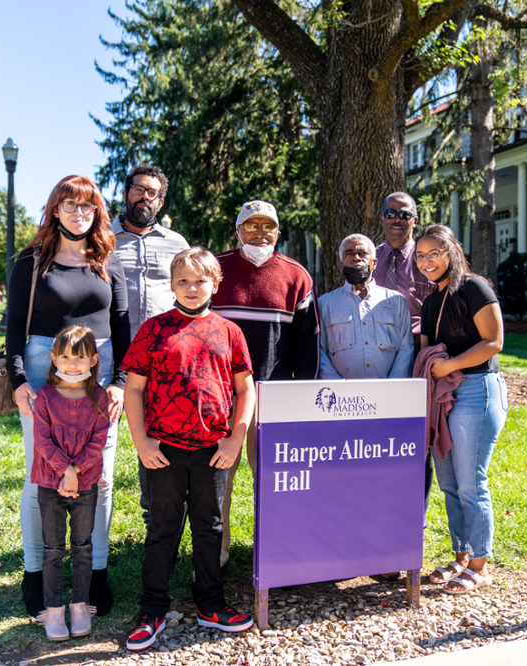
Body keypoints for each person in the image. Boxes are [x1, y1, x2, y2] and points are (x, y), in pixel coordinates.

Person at [6, 175, 130, 619]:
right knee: (40, 474)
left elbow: (121, 322)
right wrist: (19, 380)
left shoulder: (107, 260)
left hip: (102, 366)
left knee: (101, 475)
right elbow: (14, 321)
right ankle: (36, 572)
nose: (80, 214)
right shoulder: (31, 261)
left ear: (97, 213)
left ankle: (95, 572)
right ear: (55, 210)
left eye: (88, 207)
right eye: (70, 206)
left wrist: (119, 382)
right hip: (43, 366)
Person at [121, 247, 255, 651]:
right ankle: (152, 609)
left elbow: (245, 388)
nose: (192, 288)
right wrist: (141, 440)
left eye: (200, 281)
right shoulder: (153, 329)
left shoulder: (229, 331)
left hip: (214, 449)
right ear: (171, 285)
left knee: (209, 527)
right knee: (162, 528)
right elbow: (134, 388)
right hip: (163, 449)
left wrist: (236, 436)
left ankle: (210, 604)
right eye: (183, 280)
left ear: (215, 283)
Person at [213, 200, 319, 565]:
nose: (260, 233)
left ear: (278, 231)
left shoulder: (296, 276)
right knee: (217, 482)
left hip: (272, 398)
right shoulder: (216, 270)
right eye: (251, 225)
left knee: (274, 482)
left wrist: (302, 397)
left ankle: (275, 551)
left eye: (268, 226)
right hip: (219, 399)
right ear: (238, 230)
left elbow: (308, 344)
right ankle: (218, 552)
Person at [414, 224, 507, 596]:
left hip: (478, 391)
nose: (427, 262)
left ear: (452, 250)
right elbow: (426, 349)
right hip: (445, 398)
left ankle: (481, 565)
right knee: (450, 482)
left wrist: (450, 366)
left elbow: (494, 341)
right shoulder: (430, 300)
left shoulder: (473, 287)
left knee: (471, 481)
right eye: (420, 256)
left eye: (434, 253)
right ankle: (462, 555)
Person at [111, 164, 189, 525]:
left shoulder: (176, 244)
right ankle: (91, 522)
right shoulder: (102, 238)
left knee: (158, 438)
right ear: (126, 192)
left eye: (153, 192)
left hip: (162, 358)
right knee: (102, 436)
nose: (145, 197)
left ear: (161, 201)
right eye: (139, 189)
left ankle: (156, 520)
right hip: (110, 354)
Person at [32, 325, 109, 642]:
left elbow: (98, 440)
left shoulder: (99, 396)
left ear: (93, 360)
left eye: (79, 357)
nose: (72, 363)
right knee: (52, 549)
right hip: (50, 485)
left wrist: (76, 470)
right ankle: (53, 610)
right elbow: (42, 440)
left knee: (82, 546)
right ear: (53, 359)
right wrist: (65, 470)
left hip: (87, 484)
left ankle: (79, 605)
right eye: (64, 356)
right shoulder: (45, 397)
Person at [372, 192, 437, 516]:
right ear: (381, 218)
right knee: (379, 433)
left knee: (417, 435)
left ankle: (416, 515)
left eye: (404, 214)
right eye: (390, 213)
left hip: (417, 351)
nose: (397, 219)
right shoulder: (370, 258)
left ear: (414, 220)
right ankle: (381, 505)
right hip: (377, 354)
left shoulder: (427, 258)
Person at [318, 233, 412, 380]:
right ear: (341, 266)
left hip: (388, 393)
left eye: (362, 253)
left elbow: (406, 348)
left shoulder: (397, 301)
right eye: (349, 253)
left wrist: (393, 386)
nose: (356, 257)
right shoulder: (324, 304)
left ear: (374, 263)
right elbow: (320, 351)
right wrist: (338, 387)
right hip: (343, 397)